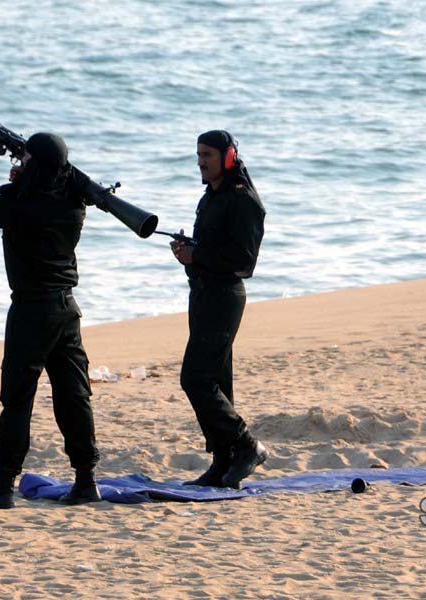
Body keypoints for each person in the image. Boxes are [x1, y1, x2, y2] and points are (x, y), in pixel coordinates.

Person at [0, 132, 102, 509]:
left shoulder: (20, 208)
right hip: (67, 310)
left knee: (18, 399)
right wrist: (26, 172)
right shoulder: (74, 204)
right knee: (73, 396)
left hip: (30, 312)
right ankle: (86, 480)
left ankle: (3, 486)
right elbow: (56, 180)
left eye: (25, 161)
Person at [170, 130, 267, 489]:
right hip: (203, 294)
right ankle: (223, 461)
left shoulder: (244, 201)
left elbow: (244, 261)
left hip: (225, 297)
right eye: (198, 154)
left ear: (227, 157)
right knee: (218, 383)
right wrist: (187, 255)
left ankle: (246, 445)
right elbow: (208, 255)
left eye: (208, 154)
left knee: (195, 379)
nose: (201, 161)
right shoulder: (208, 199)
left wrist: (199, 255)